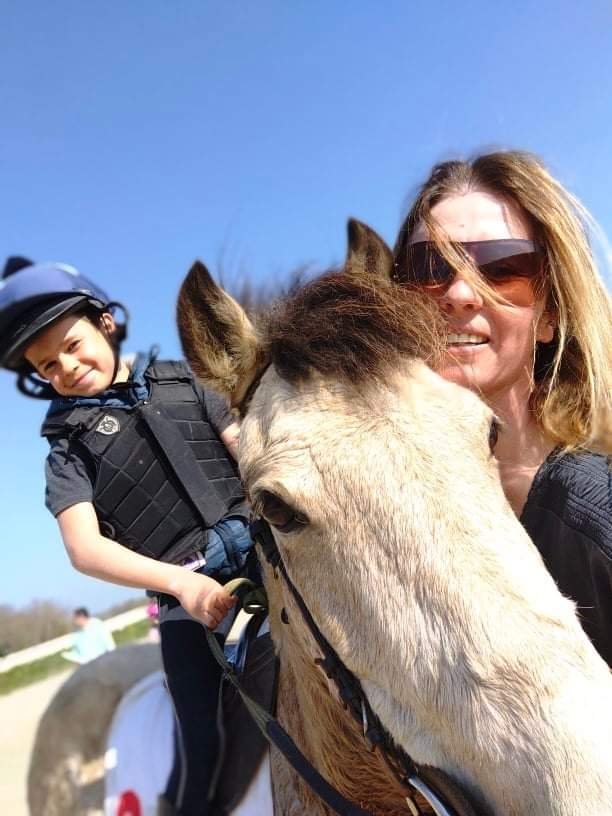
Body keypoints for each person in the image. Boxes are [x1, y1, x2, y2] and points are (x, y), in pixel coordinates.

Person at [0, 256, 254, 816]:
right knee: (200, 738)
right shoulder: (66, 452)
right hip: (186, 593)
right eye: (47, 366)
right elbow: (84, 548)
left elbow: (248, 451)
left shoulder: (184, 379)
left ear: (106, 323)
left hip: (266, 552)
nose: (66, 367)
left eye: (72, 345)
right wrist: (181, 585)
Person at [393, 150, 612, 667]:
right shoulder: (395, 515)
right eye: (429, 268)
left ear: (549, 314)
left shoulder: (595, 519)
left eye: (503, 268)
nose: (460, 293)